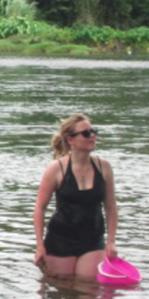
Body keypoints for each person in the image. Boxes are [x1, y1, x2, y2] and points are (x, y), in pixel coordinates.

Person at [32, 114, 118, 278]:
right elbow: (39, 208)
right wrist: (40, 246)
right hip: (60, 239)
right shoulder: (56, 169)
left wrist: (111, 241)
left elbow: (111, 206)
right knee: (61, 291)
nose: (92, 135)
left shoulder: (104, 167)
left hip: (93, 238)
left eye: (93, 131)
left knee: (88, 291)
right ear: (71, 140)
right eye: (86, 133)